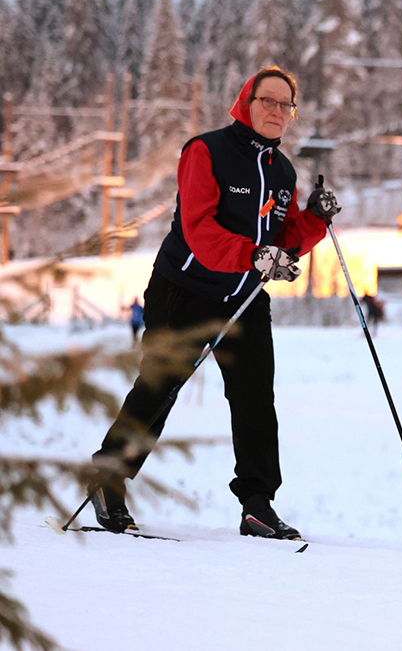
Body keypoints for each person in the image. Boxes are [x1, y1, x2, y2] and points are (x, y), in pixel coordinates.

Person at [89, 66, 341, 541]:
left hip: (243, 298)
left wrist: (313, 220)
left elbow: (281, 241)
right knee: (161, 386)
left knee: (254, 399)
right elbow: (199, 230)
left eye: (285, 105)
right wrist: (254, 255)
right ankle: (108, 481)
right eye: (267, 100)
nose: (276, 111)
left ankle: (258, 505)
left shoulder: (282, 172)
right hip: (184, 289)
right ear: (245, 103)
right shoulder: (206, 151)